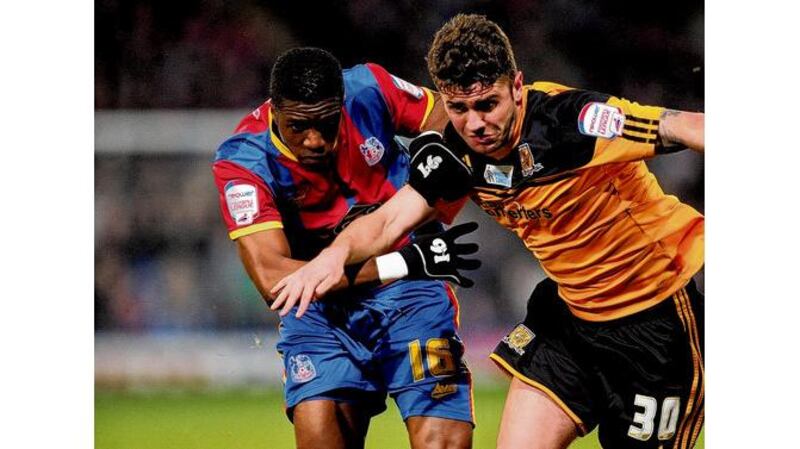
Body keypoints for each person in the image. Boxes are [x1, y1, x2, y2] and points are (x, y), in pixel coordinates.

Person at [272, 15, 705, 449]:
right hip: (571, 322)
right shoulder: (455, 152)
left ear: (516, 86)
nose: (475, 124)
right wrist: (333, 256)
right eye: (459, 109)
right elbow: (389, 220)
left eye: (487, 104)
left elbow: (684, 125)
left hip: (657, 322)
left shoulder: (572, 122)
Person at [212, 47, 481, 449]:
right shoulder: (244, 163)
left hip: (411, 294)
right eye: (298, 126)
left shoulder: (369, 88)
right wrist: (401, 262)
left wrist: (431, 152)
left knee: (442, 443)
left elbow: (443, 113)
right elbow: (275, 281)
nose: (315, 140)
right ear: (274, 113)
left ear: (341, 104)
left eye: (326, 123)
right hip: (323, 311)